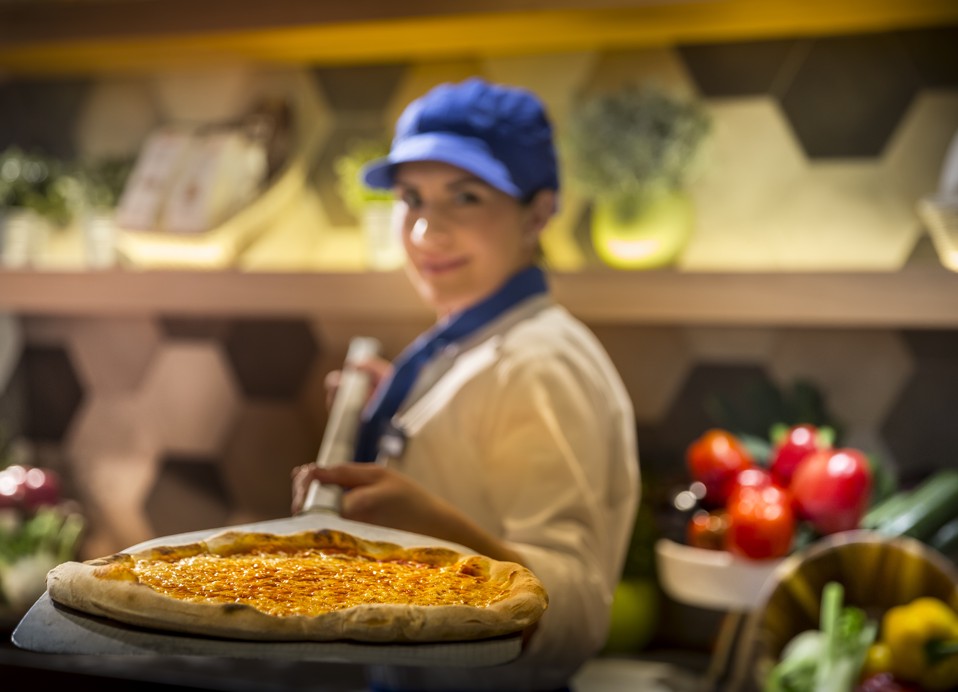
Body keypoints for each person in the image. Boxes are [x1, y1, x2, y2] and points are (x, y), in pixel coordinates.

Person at [292, 77, 639, 692]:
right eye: (412, 199)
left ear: (539, 210)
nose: (427, 231)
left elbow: (577, 616)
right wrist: (395, 410)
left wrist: (433, 529)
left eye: (466, 197)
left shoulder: (541, 366)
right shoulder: (466, 345)